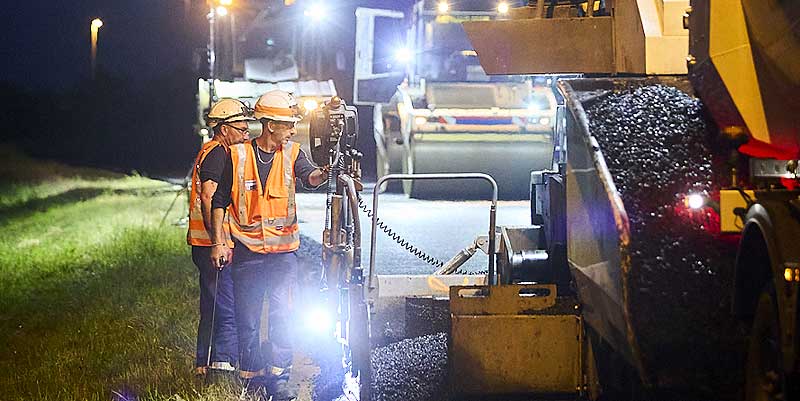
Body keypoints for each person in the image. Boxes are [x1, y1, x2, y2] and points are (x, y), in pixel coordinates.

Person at [209, 90, 328, 400]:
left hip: (283, 256)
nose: (292, 129)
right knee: (247, 319)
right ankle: (251, 381)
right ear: (271, 124)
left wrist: (325, 172)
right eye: (288, 124)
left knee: (284, 313)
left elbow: (310, 177)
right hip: (247, 254)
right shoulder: (237, 156)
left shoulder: (293, 153)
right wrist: (219, 243)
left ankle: (279, 374)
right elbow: (219, 200)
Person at [186, 98, 253, 377]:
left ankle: (203, 364)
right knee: (226, 307)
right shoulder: (218, 154)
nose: (246, 133)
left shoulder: (212, 150)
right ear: (224, 129)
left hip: (204, 243)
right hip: (212, 245)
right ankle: (223, 370)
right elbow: (209, 196)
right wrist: (220, 241)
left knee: (212, 306)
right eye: (240, 127)